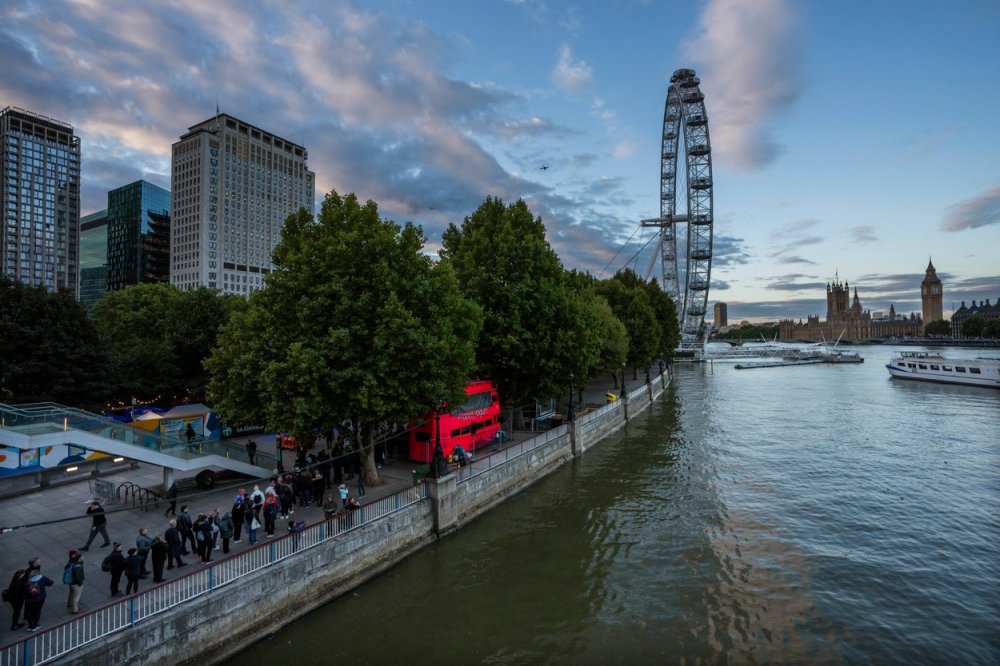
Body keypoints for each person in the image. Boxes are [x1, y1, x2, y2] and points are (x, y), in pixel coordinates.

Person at [22, 558, 53, 632]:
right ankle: (35, 625)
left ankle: (30, 626)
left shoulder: (27, 582)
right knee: (37, 611)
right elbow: (51, 583)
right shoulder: (42, 578)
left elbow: (24, 591)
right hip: (40, 598)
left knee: (30, 612)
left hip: (29, 599)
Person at [5, 564, 30, 630]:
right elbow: (22, 592)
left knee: (16, 611)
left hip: (13, 598)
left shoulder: (15, 580)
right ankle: (14, 625)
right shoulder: (18, 584)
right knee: (17, 611)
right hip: (17, 600)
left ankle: (15, 624)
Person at [63, 550, 85, 614]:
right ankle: (75, 610)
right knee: (76, 597)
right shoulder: (77, 566)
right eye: (82, 557)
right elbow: (78, 577)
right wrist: (80, 583)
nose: (83, 558)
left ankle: (70, 604)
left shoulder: (71, 563)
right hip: (76, 583)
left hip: (71, 582)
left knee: (72, 593)